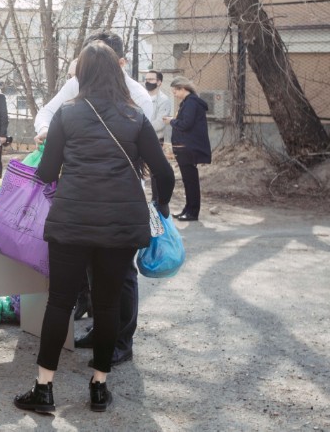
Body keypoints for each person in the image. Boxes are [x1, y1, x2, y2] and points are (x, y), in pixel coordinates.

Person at [14, 41, 175, 414]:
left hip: (71, 223)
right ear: (117, 73)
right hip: (120, 227)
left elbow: (47, 173)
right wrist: (160, 207)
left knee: (60, 302)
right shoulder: (135, 117)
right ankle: (99, 387)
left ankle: (43, 388)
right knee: (107, 305)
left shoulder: (67, 115)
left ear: (82, 74)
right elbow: (164, 173)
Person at [33, 31, 151, 365]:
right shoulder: (76, 88)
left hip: (119, 203)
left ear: (121, 63)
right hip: (83, 200)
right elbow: (49, 112)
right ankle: (100, 333)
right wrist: (46, 130)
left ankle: (120, 340)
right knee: (88, 271)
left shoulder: (140, 98)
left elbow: (141, 156)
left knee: (120, 276)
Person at [164, 76, 212, 222]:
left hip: (189, 147)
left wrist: (171, 121)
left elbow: (186, 124)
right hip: (187, 147)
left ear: (183, 88)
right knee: (188, 180)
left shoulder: (191, 102)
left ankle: (192, 212)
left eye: (175, 91)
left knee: (190, 181)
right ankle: (188, 209)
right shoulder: (188, 102)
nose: (174, 94)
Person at [144, 70, 173, 203]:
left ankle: (157, 200)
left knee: (155, 171)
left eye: (151, 79)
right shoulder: (142, 97)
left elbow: (161, 123)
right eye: (146, 79)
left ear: (159, 82)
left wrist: (142, 127)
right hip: (140, 137)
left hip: (155, 139)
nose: (147, 81)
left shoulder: (164, 100)